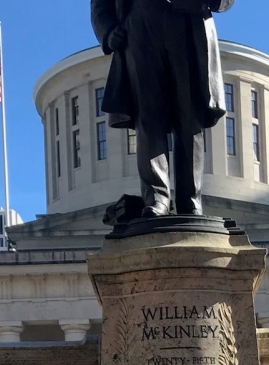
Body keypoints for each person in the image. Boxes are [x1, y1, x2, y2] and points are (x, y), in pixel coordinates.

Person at [90, 0, 234, 217]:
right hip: (140, 23)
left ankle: (190, 201)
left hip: (187, 20)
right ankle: (157, 199)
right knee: (148, 117)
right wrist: (108, 30)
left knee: (189, 118)